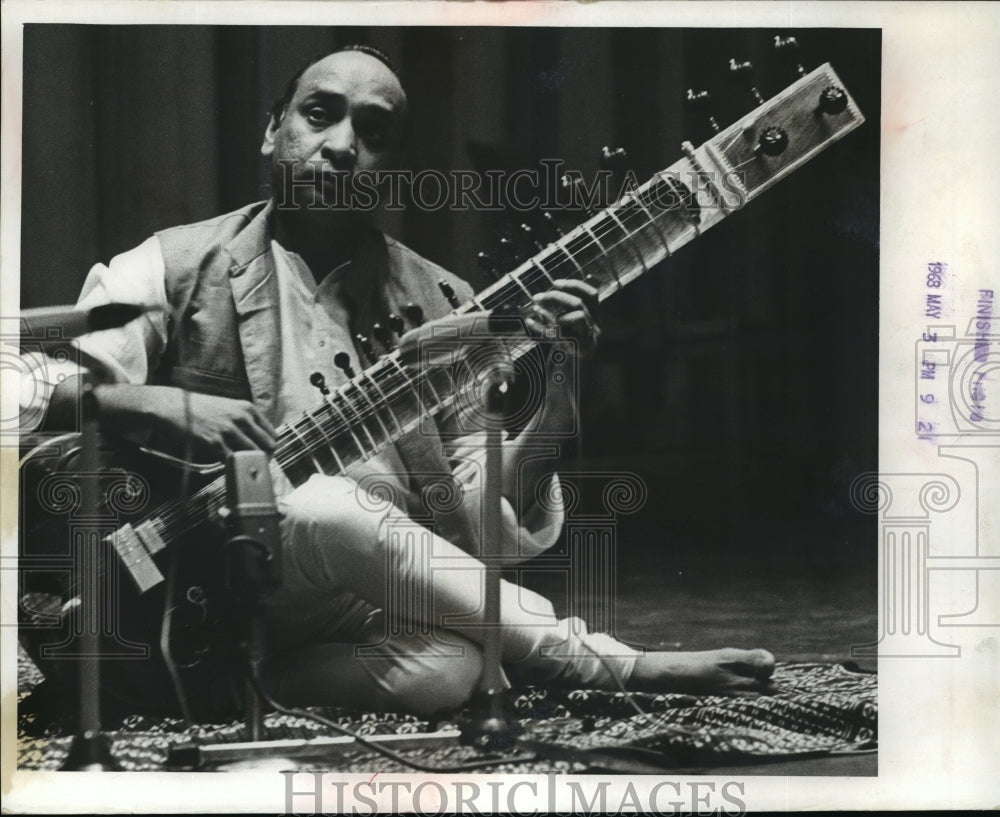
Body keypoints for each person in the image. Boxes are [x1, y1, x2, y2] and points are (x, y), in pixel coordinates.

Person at [25, 45, 775, 719]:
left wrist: (554, 393)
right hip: (217, 572)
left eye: (374, 133)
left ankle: (227, 686)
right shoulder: (175, 266)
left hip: (364, 596)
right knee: (324, 505)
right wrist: (148, 399)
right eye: (320, 115)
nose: (344, 146)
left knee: (455, 667)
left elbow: (486, 515)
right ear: (272, 130)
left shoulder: (445, 307)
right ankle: (620, 666)